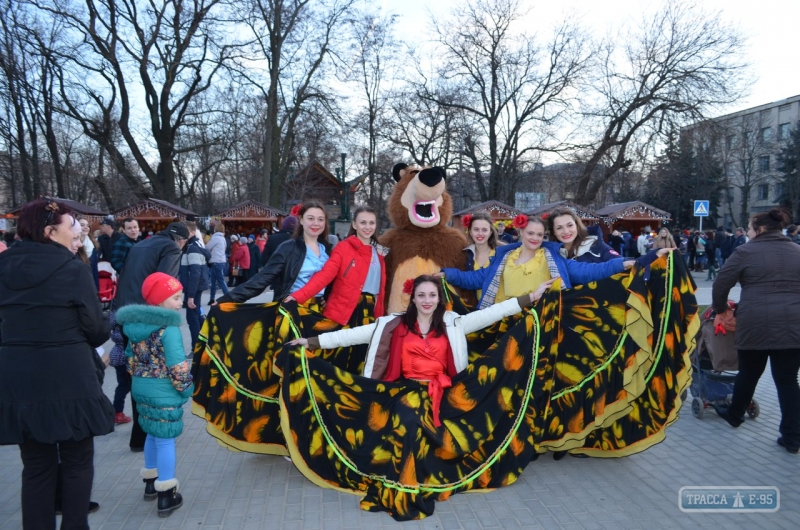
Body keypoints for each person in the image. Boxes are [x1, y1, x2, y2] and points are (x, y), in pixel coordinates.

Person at [287, 274, 551, 517]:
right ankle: (405, 482)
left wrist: (532, 297)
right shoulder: (391, 324)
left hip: (445, 390)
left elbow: (494, 313)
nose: (427, 300)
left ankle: (424, 475)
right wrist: (310, 342)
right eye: (421, 295)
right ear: (412, 298)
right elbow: (351, 336)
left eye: (432, 295)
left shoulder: (454, 321)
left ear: (440, 298)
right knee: (409, 416)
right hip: (405, 389)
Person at [0, 198, 114, 529]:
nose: (78, 234)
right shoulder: (71, 268)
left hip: (18, 378)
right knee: (77, 459)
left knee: (36, 464)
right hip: (69, 377)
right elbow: (95, 330)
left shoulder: (3, 266)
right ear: (50, 232)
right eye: (73, 229)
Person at [712, 208, 800, 454]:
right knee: (788, 380)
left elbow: (721, 283)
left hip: (755, 323)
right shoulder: (797, 251)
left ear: (760, 229)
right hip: (794, 325)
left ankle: (735, 415)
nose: (747, 233)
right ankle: (792, 438)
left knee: (749, 373)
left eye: (749, 229)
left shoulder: (745, 251)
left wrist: (720, 309)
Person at [441, 215, 660, 309]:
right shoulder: (504, 257)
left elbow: (588, 271)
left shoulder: (552, 258)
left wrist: (626, 263)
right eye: (530, 233)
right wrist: (447, 274)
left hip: (536, 326)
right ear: (520, 232)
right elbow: (476, 278)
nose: (535, 238)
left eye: (540, 234)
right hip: (501, 321)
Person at [117, 273, 194, 516]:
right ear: (160, 302)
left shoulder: (134, 326)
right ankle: (166, 494)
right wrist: (187, 388)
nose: (180, 302)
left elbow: (129, 358)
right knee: (165, 438)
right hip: (164, 389)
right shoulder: (168, 328)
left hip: (141, 387)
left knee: (151, 431)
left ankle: (150, 482)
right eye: (175, 298)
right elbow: (177, 365)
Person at [115, 222, 189, 452]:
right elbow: (166, 284)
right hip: (152, 317)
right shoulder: (171, 248)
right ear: (181, 240)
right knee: (158, 376)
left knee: (137, 372)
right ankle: (158, 434)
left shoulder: (143, 244)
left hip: (128, 315)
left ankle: (140, 437)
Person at [286, 205, 387, 326]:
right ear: (354, 224)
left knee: (368, 344)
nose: (367, 227)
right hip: (346, 310)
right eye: (363, 222)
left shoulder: (379, 252)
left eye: (371, 223)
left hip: (372, 310)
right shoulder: (343, 248)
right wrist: (298, 296)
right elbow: (325, 275)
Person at [216, 200, 331, 304]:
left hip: (322, 313)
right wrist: (229, 298)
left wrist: (328, 297)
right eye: (310, 218)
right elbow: (263, 278)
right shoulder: (288, 248)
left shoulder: (327, 249)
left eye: (320, 219)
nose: (316, 223)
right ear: (301, 220)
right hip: (295, 309)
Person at [179, 221, 211, 353]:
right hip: (194, 287)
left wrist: (190, 295)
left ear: (192, 232)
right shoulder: (191, 246)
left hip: (194, 287)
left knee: (192, 318)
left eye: (185, 231)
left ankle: (197, 349)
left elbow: (195, 273)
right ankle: (205, 342)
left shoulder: (192, 248)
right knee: (196, 315)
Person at [548, 208, 620, 263]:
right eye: (559, 228)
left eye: (570, 225)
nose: (566, 231)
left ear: (577, 226)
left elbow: (621, 264)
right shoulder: (549, 254)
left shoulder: (596, 246)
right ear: (554, 232)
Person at [461, 212, 502, 301]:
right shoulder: (464, 255)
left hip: (499, 309)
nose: (480, 233)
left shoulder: (501, 254)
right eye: (476, 229)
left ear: (490, 232)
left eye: (484, 230)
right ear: (470, 232)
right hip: (473, 310)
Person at [206, 222, 229, 304]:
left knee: (219, 280)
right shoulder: (223, 238)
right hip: (220, 260)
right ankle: (212, 298)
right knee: (214, 281)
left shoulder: (215, 238)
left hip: (216, 261)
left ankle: (227, 297)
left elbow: (207, 247)